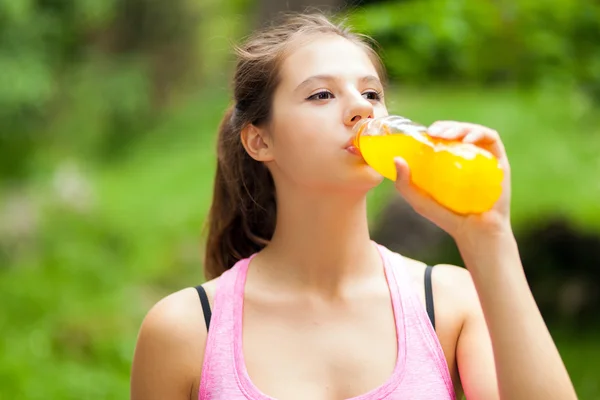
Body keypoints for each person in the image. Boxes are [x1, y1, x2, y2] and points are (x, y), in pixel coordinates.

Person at [130, 13, 577, 400]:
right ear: (259, 140)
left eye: (371, 94)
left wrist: (490, 240)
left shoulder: (447, 303)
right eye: (321, 95)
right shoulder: (186, 331)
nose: (360, 110)